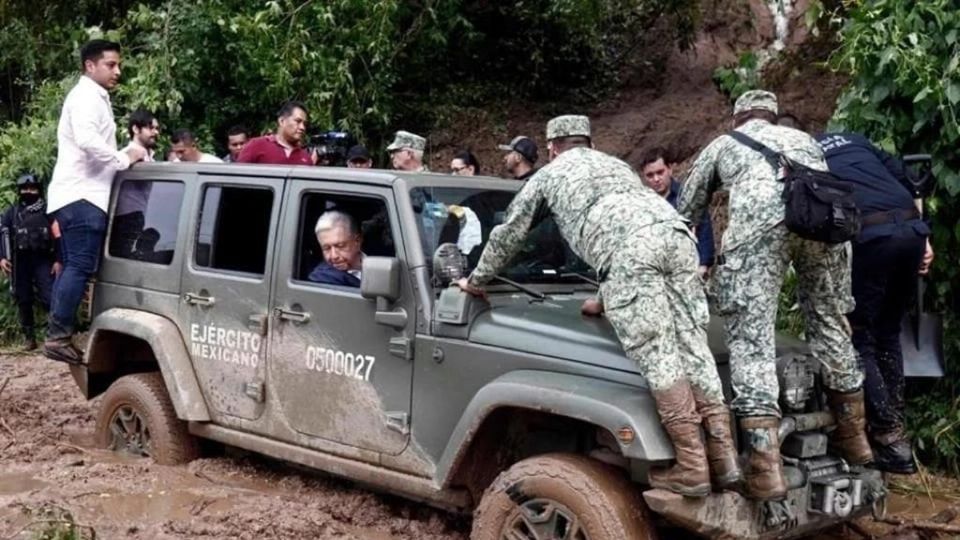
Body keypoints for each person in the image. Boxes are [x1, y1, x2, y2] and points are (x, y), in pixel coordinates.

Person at [456, 115, 740, 497]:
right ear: (589, 142)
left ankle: (692, 467)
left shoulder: (550, 175)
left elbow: (510, 234)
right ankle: (725, 460)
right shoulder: (616, 166)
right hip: (677, 237)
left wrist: (476, 280)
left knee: (657, 354)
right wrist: (603, 299)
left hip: (631, 255)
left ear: (553, 148)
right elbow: (631, 228)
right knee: (693, 344)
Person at [678, 90, 872, 500]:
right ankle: (856, 440)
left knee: (751, 336)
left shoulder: (725, 144)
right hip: (823, 223)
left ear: (738, 118)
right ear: (773, 115)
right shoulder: (805, 140)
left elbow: (686, 209)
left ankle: (765, 470)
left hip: (761, 229)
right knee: (831, 323)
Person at [816, 131, 933, 474]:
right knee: (888, 331)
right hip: (911, 230)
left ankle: (887, 437)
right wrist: (925, 236)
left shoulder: (805, 152)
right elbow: (904, 179)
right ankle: (896, 423)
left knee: (860, 334)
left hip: (871, 237)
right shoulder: (855, 140)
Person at [44, 39, 147, 364]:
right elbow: (88, 141)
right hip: (82, 194)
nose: (118, 71)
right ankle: (57, 335)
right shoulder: (86, 97)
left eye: (118, 65)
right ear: (90, 66)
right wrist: (124, 157)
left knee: (76, 264)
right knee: (79, 265)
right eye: (111, 64)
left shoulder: (92, 97)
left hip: (81, 194)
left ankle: (59, 332)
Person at [1, 174, 62, 351]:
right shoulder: (11, 212)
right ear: (20, 191)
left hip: (43, 259)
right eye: (25, 189)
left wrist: (59, 260)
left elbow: (58, 236)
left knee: (50, 297)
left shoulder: (48, 211)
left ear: (38, 190)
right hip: (20, 261)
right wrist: (2, 258)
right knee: (23, 299)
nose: (29, 192)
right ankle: (30, 339)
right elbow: (3, 234)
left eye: (32, 189)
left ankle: (55, 337)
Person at [640, 148, 715, 277]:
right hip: (657, 273)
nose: (656, 179)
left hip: (690, 270)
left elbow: (704, 231)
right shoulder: (641, 204)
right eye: (650, 175)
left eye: (660, 172)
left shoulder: (689, 197)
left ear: (669, 169)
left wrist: (704, 265)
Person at [112, 109, 159, 256]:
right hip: (126, 218)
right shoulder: (127, 155)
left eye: (157, 128)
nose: (156, 132)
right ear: (135, 129)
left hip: (139, 216)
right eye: (151, 128)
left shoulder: (148, 156)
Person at [237, 101, 313, 165]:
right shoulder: (256, 145)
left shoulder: (306, 158)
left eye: (305, 124)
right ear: (282, 121)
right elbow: (236, 178)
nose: (302, 127)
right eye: (298, 121)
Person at [308, 210, 364, 287]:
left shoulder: (379, 255)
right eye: (326, 248)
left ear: (357, 241)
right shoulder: (322, 279)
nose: (334, 256)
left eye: (340, 246)